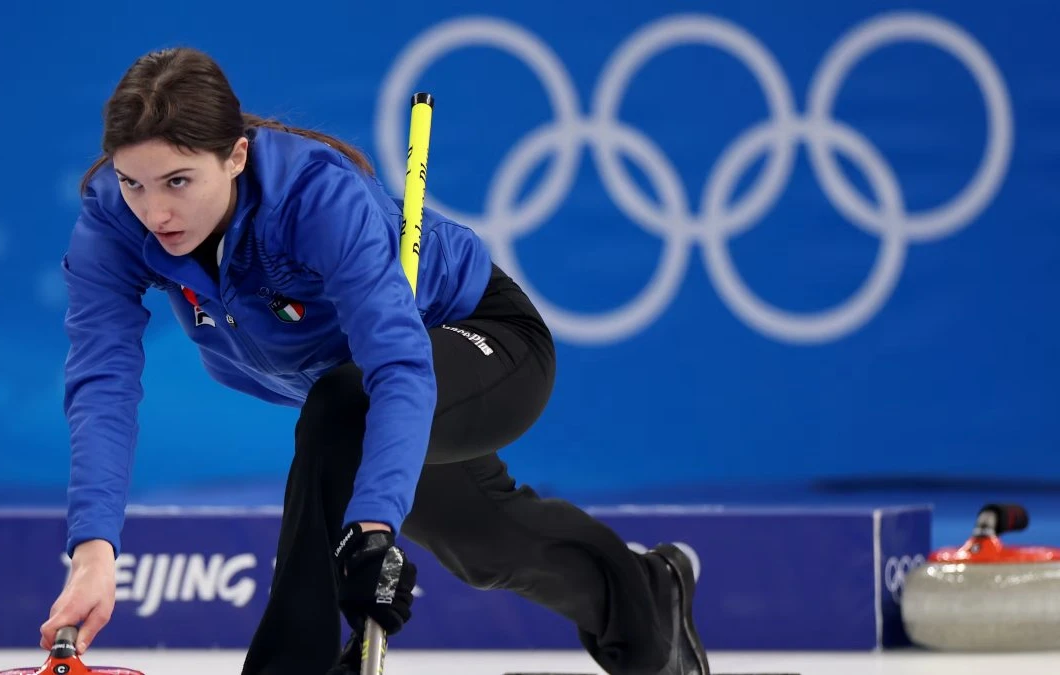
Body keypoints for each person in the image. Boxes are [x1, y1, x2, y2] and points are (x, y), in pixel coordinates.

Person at [38, 46, 709, 675]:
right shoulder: (112, 225)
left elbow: (398, 367)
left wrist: (371, 526)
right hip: (355, 393)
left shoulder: (318, 199)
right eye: (133, 182)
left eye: (177, 181)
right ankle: (648, 595)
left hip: (479, 338)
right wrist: (94, 546)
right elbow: (103, 384)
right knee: (486, 543)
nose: (154, 211)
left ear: (236, 156)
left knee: (341, 411)